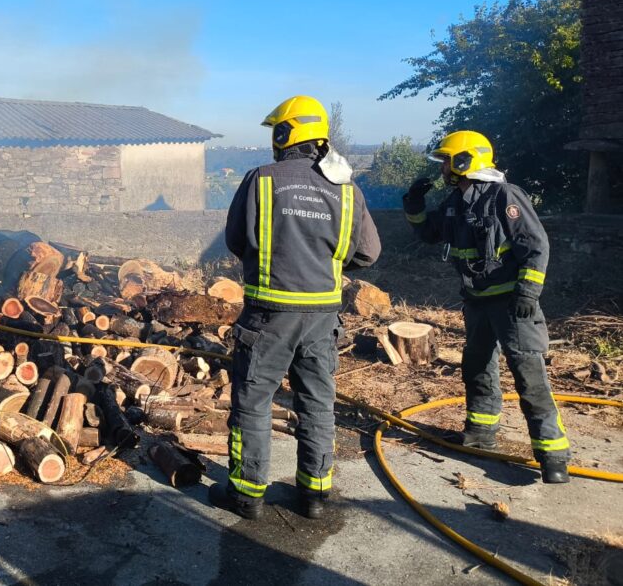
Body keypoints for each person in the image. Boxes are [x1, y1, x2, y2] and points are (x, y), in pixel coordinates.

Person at [212, 95, 381, 520]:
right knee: (318, 404)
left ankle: (247, 496)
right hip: (323, 318)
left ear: (287, 134)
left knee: (253, 403)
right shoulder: (347, 189)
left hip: (269, 314)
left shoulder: (261, 180)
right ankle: (315, 496)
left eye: (277, 131)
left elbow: (236, 240)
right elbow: (368, 253)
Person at [402, 131, 569, 483]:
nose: (443, 168)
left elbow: (536, 245)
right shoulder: (456, 202)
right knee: (477, 367)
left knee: (529, 377)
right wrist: (414, 205)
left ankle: (552, 455)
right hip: (477, 302)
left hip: (512, 304)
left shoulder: (505, 196)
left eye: (448, 161)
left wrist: (528, 292)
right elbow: (429, 233)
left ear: (465, 161)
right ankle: (480, 434)